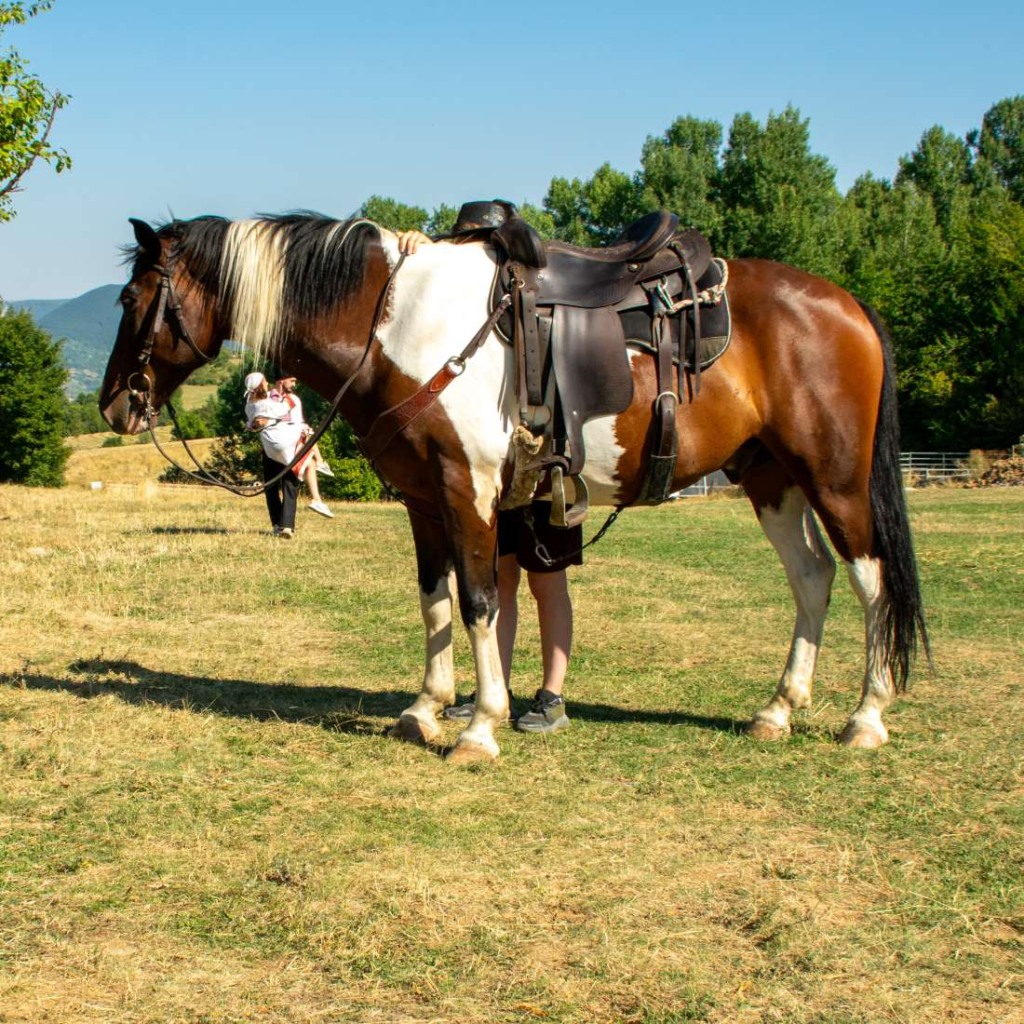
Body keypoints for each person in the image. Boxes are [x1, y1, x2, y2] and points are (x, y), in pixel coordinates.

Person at [395, 228, 578, 734]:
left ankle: (553, 695)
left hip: (545, 464)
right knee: (501, 583)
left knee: (547, 583)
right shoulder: (471, 310)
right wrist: (415, 242)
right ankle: (492, 685)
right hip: (496, 476)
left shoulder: (535, 310)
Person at [270, 375, 335, 518]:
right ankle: (320, 464)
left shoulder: (292, 398)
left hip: (286, 439)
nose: (294, 384)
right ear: (282, 381)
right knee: (307, 438)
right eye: (292, 381)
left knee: (309, 460)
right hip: (283, 442)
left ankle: (317, 498)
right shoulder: (274, 399)